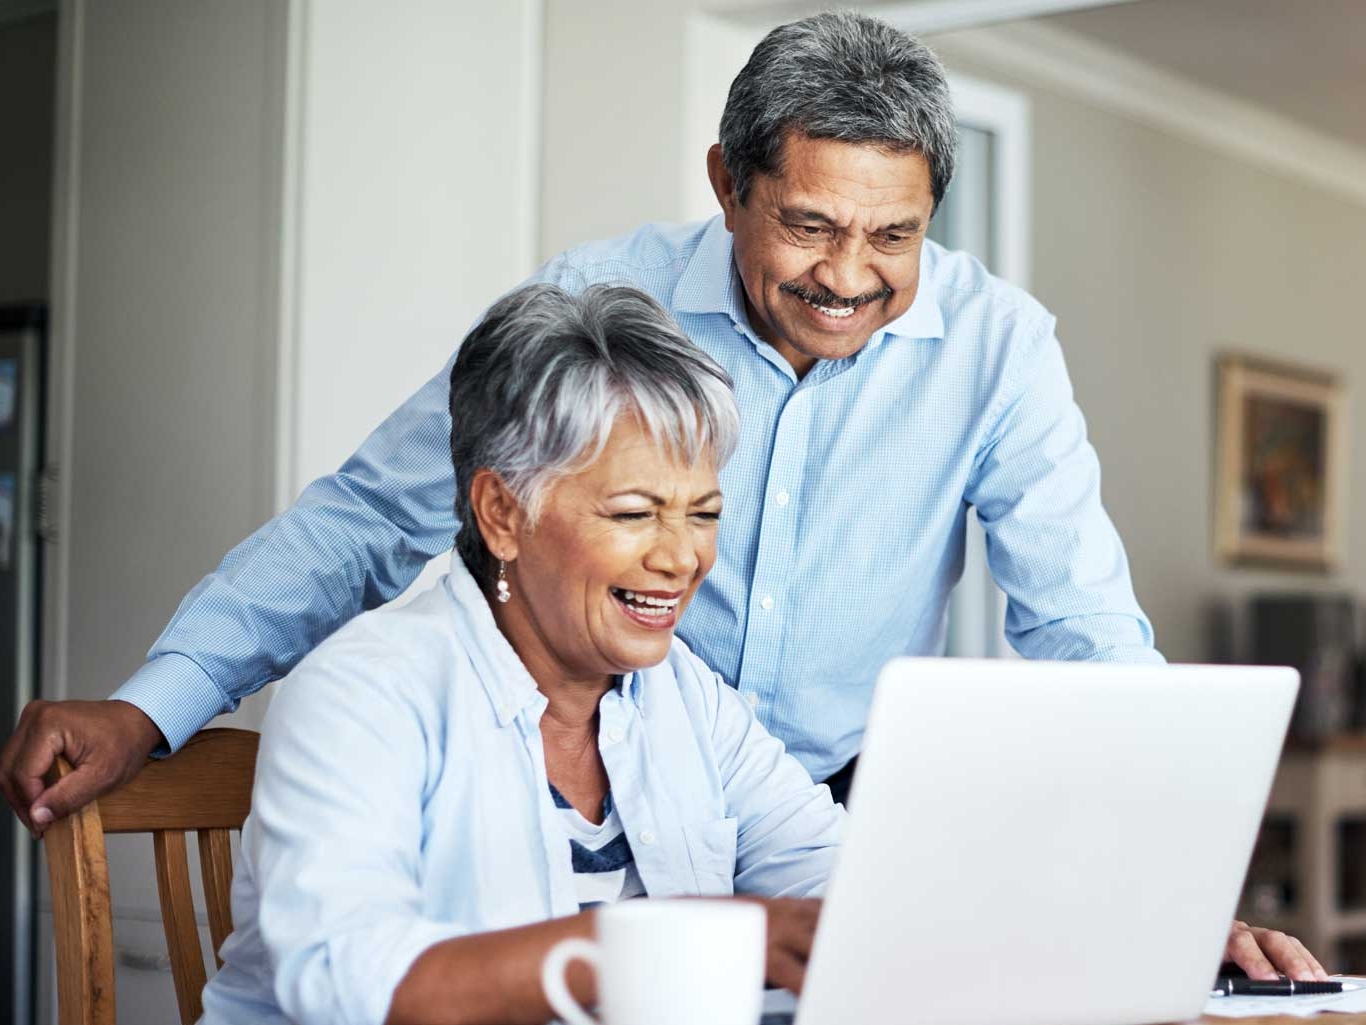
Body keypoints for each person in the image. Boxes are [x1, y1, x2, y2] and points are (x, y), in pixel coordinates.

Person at [0, 10, 1324, 982]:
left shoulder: (995, 348)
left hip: (770, 811)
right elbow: (367, 517)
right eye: (807, 223)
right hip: (600, 852)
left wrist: (1155, 906)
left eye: (894, 236)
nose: (848, 276)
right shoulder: (600, 314)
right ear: (726, 184)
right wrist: (154, 703)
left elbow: (1084, 639)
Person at [199, 283, 842, 1025]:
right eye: (634, 513)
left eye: (704, 514)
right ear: (502, 513)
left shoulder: (684, 694)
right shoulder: (360, 693)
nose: (683, 556)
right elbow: (348, 980)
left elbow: (834, 884)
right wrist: (652, 944)